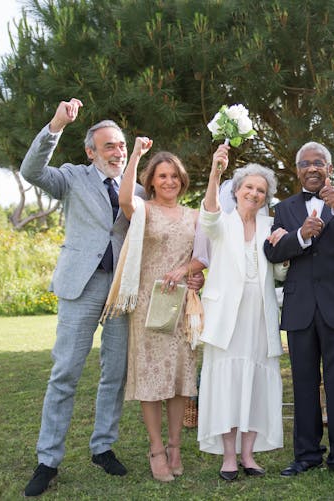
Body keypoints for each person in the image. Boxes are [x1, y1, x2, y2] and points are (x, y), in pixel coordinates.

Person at [20, 98, 143, 497]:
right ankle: (48, 460)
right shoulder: (72, 177)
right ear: (91, 151)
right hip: (82, 286)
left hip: (121, 290)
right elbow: (31, 170)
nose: (117, 151)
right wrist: (56, 124)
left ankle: (102, 447)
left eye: (121, 145)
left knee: (115, 372)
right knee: (65, 372)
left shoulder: (137, 187)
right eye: (109, 146)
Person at [263, 141, 334, 483]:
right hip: (300, 307)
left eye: (319, 163)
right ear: (297, 170)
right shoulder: (283, 209)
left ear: (330, 167)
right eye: (305, 164)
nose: (311, 168)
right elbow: (272, 252)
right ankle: (307, 455)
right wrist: (300, 235)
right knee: (303, 383)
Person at [105, 137, 205, 482]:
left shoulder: (194, 216)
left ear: (182, 180)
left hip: (180, 307)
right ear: (151, 181)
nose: (169, 182)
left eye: (174, 176)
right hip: (148, 304)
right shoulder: (143, 210)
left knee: (178, 379)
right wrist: (134, 155)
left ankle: (176, 447)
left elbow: (202, 258)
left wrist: (194, 275)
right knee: (151, 379)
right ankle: (156, 449)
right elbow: (122, 197)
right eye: (162, 176)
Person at [196, 144, 285, 481]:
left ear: (266, 197)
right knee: (228, 385)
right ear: (235, 191)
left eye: (261, 190)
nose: (254, 193)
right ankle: (229, 457)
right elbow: (208, 213)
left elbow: (279, 275)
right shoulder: (223, 224)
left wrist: (284, 254)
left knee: (256, 383)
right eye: (248, 187)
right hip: (226, 321)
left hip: (260, 319)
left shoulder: (270, 227)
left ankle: (249, 455)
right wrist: (216, 170)